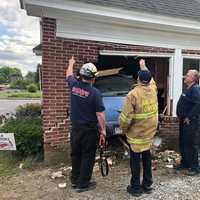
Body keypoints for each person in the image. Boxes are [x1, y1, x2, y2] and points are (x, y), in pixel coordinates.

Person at [66, 56, 106, 192]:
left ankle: (75, 179)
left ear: (81, 75)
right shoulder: (95, 93)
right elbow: (100, 114)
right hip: (89, 131)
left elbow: (68, 75)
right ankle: (83, 184)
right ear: (93, 78)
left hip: (75, 129)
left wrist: (71, 63)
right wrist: (103, 130)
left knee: (76, 154)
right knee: (88, 156)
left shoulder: (73, 85)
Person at [119, 59, 158, 197]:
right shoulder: (153, 88)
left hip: (136, 135)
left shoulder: (133, 94)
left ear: (138, 79)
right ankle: (147, 185)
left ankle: (135, 187)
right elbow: (150, 77)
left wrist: (123, 129)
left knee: (135, 161)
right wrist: (143, 65)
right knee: (147, 158)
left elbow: (125, 118)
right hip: (149, 133)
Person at [176, 69, 200, 176]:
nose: (185, 77)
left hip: (190, 122)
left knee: (191, 143)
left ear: (193, 79)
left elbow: (198, 104)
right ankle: (185, 163)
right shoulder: (187, 89)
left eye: (187, 75)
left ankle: (195, 167)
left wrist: (189, 117)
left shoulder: (195, 89)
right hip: (183, 121)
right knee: (183, 142)